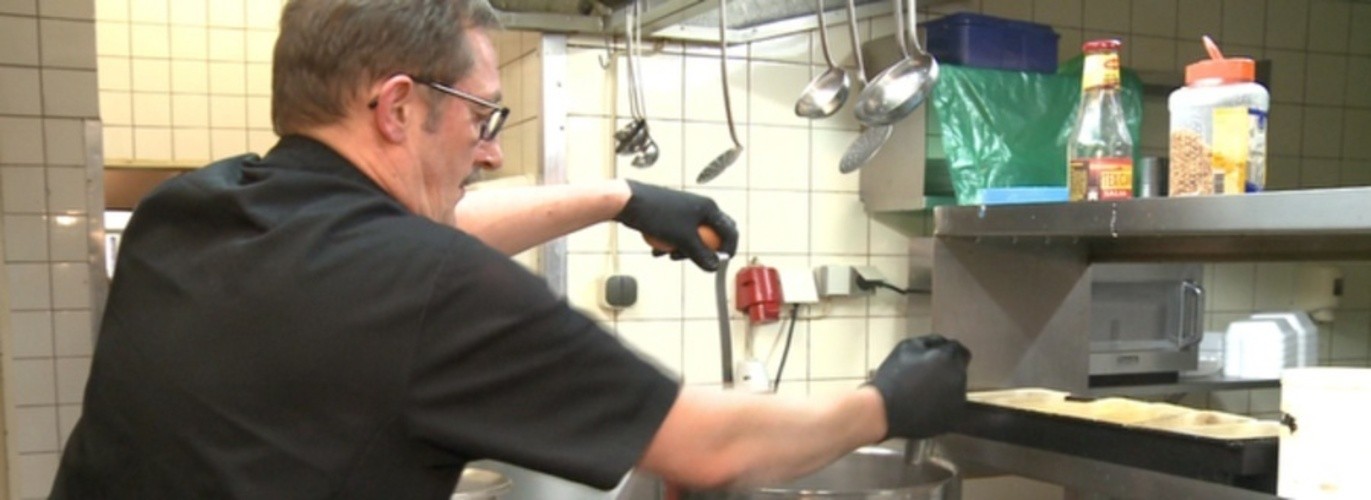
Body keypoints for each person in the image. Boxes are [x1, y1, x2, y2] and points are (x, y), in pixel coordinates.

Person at [51, 0, 971, 498]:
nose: (490, 151)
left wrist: (618, 198)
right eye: (482, 116)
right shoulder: (431, 287)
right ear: (397, 106)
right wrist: (882, 405)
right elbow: (707, 448)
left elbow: (385, 247)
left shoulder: (186, 213)